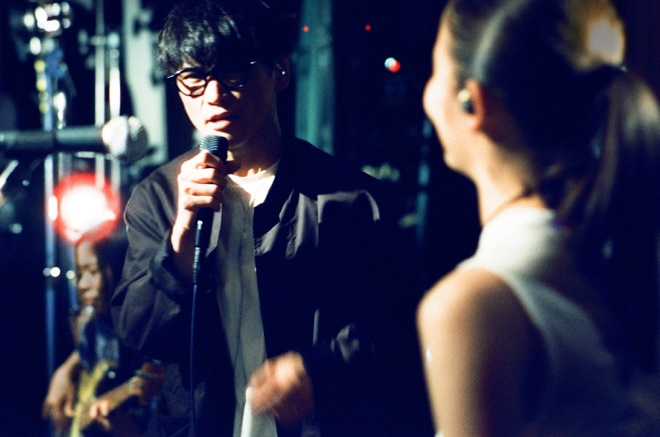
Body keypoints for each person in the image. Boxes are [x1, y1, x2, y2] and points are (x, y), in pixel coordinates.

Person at [110, 1, 433, 436]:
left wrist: (319, 370)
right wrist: (182, 231)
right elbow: (138, 330)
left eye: (232, 74)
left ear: (279, 70)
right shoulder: (159, 197)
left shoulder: (348, 199)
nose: (212, 96)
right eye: (193, 78)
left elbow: (401, 326)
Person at [417, 0, 660, 436]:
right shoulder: (623, 257)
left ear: (473, 103)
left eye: (435, 70)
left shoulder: (473, 308)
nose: (427, 93)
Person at [42, 233, 154, 437]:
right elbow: (85, 362)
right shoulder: (91, 324)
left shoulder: (144, 329)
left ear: (119, 269)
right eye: (79, 273)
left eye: (92, 271)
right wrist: (65, 371)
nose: (82, 284)